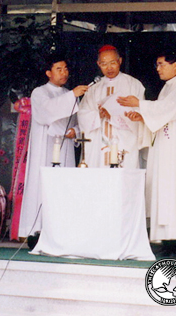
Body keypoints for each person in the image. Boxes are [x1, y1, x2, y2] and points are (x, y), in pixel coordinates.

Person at [117, 51, 176, 258]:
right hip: (167, 149)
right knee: (166, 192)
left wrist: (139, 104)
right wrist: (142, 117)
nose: (157, 69)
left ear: (175, 65)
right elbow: (162, 114)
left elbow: (170, 109)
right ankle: (169, 242)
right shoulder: (169, 87)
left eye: (161, 64)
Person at [18, 54, 88, 241]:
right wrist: (72, 95)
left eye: (65, 69)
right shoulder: (40, 92)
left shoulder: (69, 94)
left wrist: (75, 130)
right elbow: (46, 114)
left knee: (64, 186)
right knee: (42, 185)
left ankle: (61, 231)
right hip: (45, 147)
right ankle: (36, 230)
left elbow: (77, 120)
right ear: (48, 73)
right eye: (59, 69)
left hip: (64, 148)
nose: (64, 73)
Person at [77, 45, 145, 168]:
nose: (109, 68)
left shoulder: (133, 84)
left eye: (113, 62)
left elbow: (141, 113)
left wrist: (118, 117)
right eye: (104, 64)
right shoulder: (94, 88)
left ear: (120, 61)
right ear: (98, 64)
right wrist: (98, 115)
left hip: (124, 141)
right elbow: (82, 114)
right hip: (98, 143)